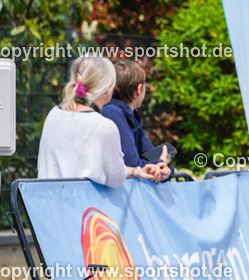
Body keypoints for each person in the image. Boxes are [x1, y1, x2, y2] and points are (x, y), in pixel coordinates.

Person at [37, 56, 158, 187]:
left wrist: (135, 172)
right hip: (82, 205)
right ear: (108, 87)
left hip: (47, 201)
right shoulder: (103, 126)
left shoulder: (54, 113)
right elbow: (116, 179)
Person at [102, 60, 172, 183]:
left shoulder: (128, 115)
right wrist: (160, 163)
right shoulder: (113, 113)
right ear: (139, 89)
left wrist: (166, 169)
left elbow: (151, 155)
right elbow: (132, 164)